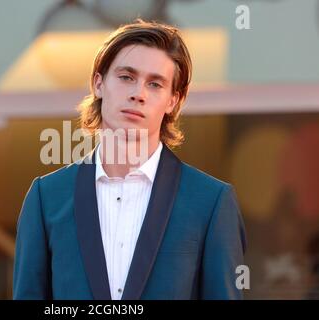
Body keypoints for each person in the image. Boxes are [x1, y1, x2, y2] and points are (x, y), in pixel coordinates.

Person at [13, 19, 247, 300]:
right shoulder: (46, 197)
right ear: (98, 84)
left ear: (173, 101)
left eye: (155, 84)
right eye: (126, 77)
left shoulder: (210, 202)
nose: (138, 94)